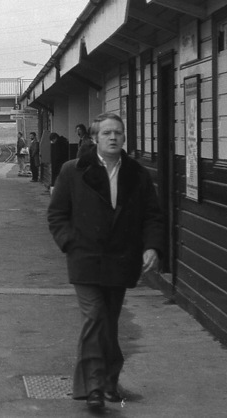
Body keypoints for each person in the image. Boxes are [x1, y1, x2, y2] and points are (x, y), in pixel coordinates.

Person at [48, 112, 165, 409]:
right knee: (96, 316)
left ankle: (109, 382)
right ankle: (94, 387)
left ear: (124, 138)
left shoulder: (136, 174)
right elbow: (57, 214)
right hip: (85, 260)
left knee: (109, 323)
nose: (113, 138)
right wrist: (70, 243)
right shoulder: (73, 171)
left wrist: (151, 247)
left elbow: (152, 215)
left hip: (121, 260)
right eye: (107, 133)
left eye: (119, 133)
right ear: (95, 139)